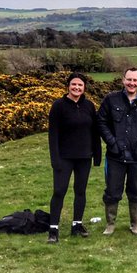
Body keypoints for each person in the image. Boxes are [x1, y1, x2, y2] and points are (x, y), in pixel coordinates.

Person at [97, 68, 137, 236]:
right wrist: (112, 143)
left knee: (136, 191)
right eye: (129, 79)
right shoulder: (111, 100)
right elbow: (101, 122)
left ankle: (135, 224)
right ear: (123, 80)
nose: (132, 83)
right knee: (112, 191)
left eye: (135, 80)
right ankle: (110, 224)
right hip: (115, 156)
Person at [46, 72, 102, 244]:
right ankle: (53, 229)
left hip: (84, 156)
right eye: (74, 84)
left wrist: (97, 155)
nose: (77, 88)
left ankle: (76, 224)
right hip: (64, 157)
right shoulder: (58, 106)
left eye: (80, 85)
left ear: (84, 87)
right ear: (68, 86)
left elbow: (95, 132)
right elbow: (53, 135)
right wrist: (55, 159)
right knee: (59, 191)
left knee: (80, 191)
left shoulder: (89, 106)